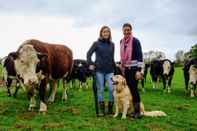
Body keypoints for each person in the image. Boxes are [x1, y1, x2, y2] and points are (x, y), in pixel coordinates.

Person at [87, 26, 115, 116]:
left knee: (111, 88)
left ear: (109, 33)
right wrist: (90, 63)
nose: (106, 33)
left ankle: (110, 109)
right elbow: (88, 54)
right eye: (104, 32)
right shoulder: (96, 43)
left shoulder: (112, 44)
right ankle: (102, 109)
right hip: (99, 70)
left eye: (107, 32)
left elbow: (112, 57)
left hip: (110, 70)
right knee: (100, 89)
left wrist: (116, 67)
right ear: (101, 33)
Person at [120, 23, 143, 119]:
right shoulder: (121, 42)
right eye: (125, 30)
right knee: (128, 90)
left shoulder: (135, 41)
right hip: (125, 70)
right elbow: (122, 57)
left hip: (134, 70)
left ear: (131, 30)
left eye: (128, 30)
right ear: (122, 31)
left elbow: (140, 56)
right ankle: (130, 109)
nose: (126, 31)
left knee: (134, 90)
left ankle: (137, 112)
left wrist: (139, 70)